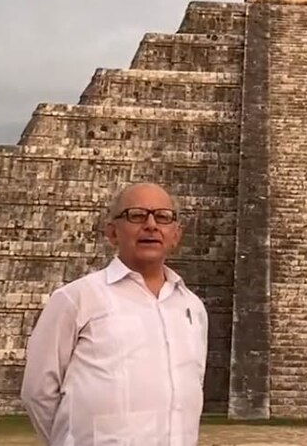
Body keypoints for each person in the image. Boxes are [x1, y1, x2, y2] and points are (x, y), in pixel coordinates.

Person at [21, 182, 208, 446]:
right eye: (137, 215)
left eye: (163, 217)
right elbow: (38, 391)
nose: (151, 225)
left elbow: (190, 388)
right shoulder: (76, 298)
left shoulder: (192, 307)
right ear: (112, 232)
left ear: (176, 234)